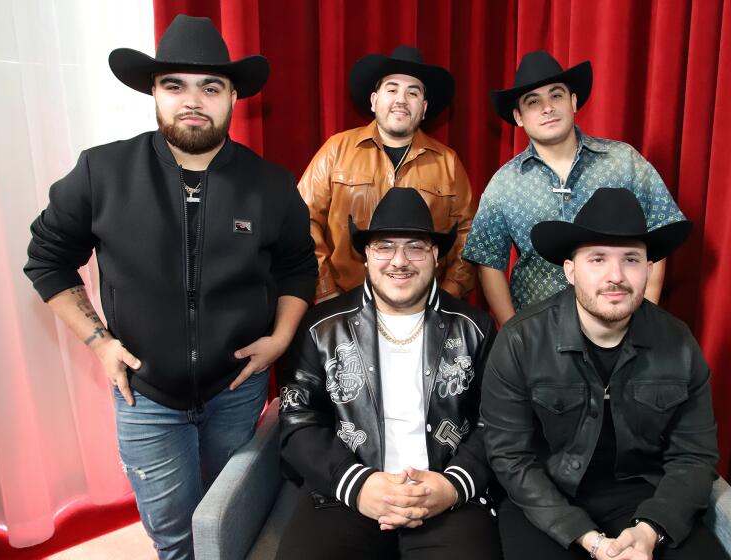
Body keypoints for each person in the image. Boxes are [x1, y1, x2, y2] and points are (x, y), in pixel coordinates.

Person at [23, 15, 316, 559]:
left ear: (233, 98)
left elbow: (300, 267)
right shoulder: (101, 172)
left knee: (229, 523)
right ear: (153, 93)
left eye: (210, 87)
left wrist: (279, 339)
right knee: (176, 540)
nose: (193, 100)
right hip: (146, 397)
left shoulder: (270, 184)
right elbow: (47, 260)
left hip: (236, 390)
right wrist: (99, 342)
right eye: (174, 85)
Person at [481, 188, 727, 560]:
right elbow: (510, 458)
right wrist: (589, 539)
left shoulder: (678, 343)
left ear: (648, 269)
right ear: (570, 271)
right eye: (597, 259)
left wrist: (651, 529)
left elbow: (694, 456)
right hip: (545, 497)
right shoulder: (520, 340)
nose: (616, 276)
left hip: (642, 494)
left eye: (631, 259)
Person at [276, 188, 501, 560]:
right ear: (366, 254)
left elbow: (497, 421)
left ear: (434, 255)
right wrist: (358, 485)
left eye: (415, 247)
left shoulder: (474, 327)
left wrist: (452, 485)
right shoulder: (322, 328)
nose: (400, 261)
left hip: (446, 489)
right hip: (346, 490)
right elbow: (298, 419)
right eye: (384, 246)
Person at [462, 50, 685, 325]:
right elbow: (488, 262)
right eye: (533, 102)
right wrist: (512, 331)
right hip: (540, 335)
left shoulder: (624, 161)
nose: (547, 108)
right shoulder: (504, 184)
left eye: (556, 95)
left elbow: (658, 237)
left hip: (619, 326)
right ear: (518, 117)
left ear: (573, 101)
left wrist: (644, 320)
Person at [298, 45, 476, 302]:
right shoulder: (335, 150)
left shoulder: (448, 162)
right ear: (374, 100)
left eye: (412, 92)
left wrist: (448, 295)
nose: (401, 100)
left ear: (424, 108)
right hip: (341, 302)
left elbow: (468, 236)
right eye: (392, 89)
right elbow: (303, 222)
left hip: (422, 309)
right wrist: (325, 291)